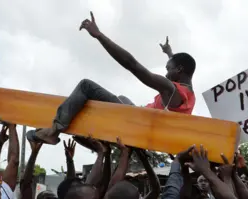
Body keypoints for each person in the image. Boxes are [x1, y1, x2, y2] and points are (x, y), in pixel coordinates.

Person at [26, 12, 196, 145]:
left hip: (136, 124)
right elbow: (179, 71)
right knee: (122, 98)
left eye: (168, 69)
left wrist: (99, 35)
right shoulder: (188, 94)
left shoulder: (170, 89)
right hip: (142, 117)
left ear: (179, 70)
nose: (166, 74)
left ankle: (53, 131)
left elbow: (132, 65)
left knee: (86, 86)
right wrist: (169, 54)